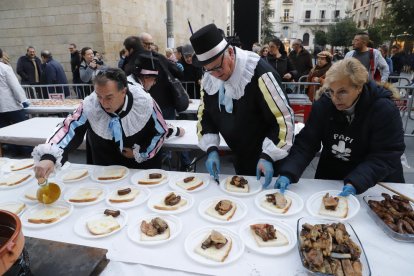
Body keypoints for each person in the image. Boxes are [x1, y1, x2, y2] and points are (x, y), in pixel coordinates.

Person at [274, 58, 405, 196]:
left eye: (342, 92)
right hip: (334, 174)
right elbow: (307, 142)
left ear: (359, 87)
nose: (335, 98)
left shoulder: (384, 109)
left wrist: (357, 181)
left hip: (376, 181)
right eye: (331, 91)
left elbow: (386, 153)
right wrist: (288, 171)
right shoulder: (324, 104)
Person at [32, 66, 184, 179]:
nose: (103, 103)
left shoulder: (144, 102)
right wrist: (49, 157)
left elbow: (161, 130)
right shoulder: (91, 104)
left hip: (139, 167)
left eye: (109, 97)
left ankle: (177, 130)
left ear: (124, 91)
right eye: (99, 96)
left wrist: (141, 152)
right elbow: (69, 127)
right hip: (105, 164)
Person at [190, 24, 294, 187]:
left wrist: (268, 156)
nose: (216, 74)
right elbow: (206, 114)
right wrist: (211, 149)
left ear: (230, 52)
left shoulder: (260, 74)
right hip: (240, 156)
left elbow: (284, 120)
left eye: (218, 67)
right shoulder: (211, 76)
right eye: (209, 70)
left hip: (271, 160)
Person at [0, 48, 31, 155]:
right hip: (11, 105)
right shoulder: (5, 68)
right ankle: (26, 150)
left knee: (5, 131)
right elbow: (15, 86)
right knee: (22, 128)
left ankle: (13, 150)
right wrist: (23, 100)